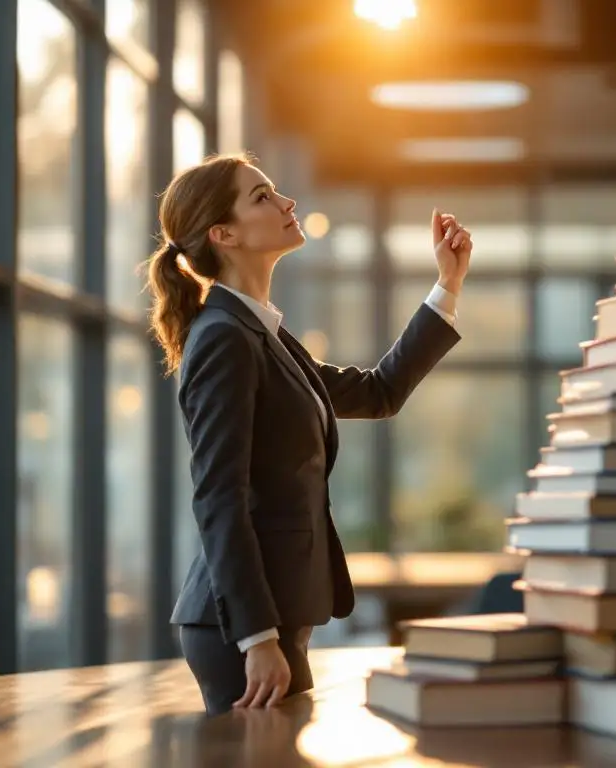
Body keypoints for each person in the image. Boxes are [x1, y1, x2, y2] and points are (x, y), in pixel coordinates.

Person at [145, 152, 471, 716]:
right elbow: (219, 497)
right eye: (262, 197)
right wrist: (256, 638)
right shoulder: (226, 337)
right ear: (224, 233)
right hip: (241, 630)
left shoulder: (259, 330)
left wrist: (448, 284)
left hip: (275, 615)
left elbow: (378, 393)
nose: (286, 202)